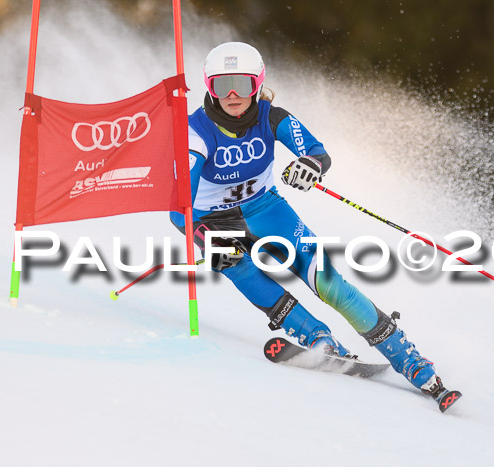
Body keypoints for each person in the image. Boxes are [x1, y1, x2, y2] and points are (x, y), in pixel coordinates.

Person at [171, 42, 447, 400]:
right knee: (240, 269)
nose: (233, 94)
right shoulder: (197, 131)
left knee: (326, 280)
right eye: (222, 85)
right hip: (211, 221)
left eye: (243, 83)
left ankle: (410, 361)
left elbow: (316, 151)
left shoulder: (272, 117)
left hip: (266, 209)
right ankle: (316, 336)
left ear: (258, 83)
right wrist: (201, 231)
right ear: (209, 87)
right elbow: (180, 207)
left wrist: (310, 166)